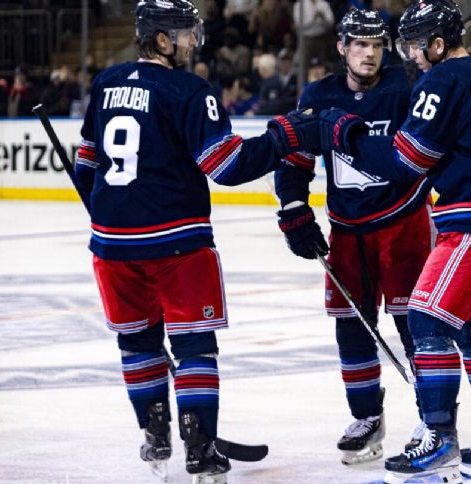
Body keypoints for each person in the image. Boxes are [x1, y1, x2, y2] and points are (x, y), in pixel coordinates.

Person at [72, 1, 344, 482]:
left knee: (137, 345)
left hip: (112, 245)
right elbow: (227, 166)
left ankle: (155, 438)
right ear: (160, 40)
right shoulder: (190, 90)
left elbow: (87, 165)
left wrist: (110, 213)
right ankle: (200, 450)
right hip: (177, 243)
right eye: (183, 34)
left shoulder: (106, 82)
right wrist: (285, 136)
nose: (193, 41)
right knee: (194, 347)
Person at [316, 1, 471, 482]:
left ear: (438, 44)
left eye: (416, 46)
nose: (412, 57)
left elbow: (407, 161)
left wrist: (347, 134)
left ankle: (438, 439)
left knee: (426, 317)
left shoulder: (443, 80)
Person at [274, 8, 432, 466]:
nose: (369, 53)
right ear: (342, 47)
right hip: (347, 232)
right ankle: (367, 417)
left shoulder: (405, 87)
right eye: (360, 44)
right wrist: (294, 209)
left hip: (404, 223)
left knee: (414, 326)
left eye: (377, 45)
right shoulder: (319, 95)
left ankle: (434, 418)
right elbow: (295, 160)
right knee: (352, 326)